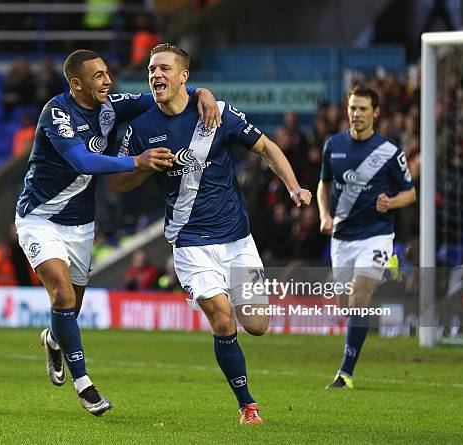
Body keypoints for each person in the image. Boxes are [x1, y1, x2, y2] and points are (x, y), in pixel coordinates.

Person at [109, 44, 312, 424]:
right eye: (152, 69)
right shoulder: (140, 127)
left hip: (236, 240)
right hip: (189, 244)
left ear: (184, 76)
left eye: (165, 69)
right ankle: (247, 405)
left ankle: (243, 377)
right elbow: (117, 185)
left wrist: (293, 186)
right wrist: (141, 166)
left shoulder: (216, 113)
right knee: (222, 319)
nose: (156, 75)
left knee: (256, 325)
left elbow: (267, 147)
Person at [14, 49, 220, 416]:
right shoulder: (57, 113)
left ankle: (54, 339)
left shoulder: (110, 105)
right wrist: (135, 161)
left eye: (108, 73)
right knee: (61, 295)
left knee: (69, 309)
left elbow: (162, 95)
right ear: (76, 84)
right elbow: (83, 161)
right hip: (39, 218)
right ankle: (85, 385)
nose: (108, 81)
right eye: (98, 77)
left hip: (80, 225)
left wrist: (202, 92)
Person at [317, 86, 416, 389]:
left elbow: (411, 193)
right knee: (346, 306)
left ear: (376, 112)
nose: (356, 114)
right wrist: (324, 214)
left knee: (360, 296)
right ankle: (389, 271)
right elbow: (324, 185)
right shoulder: (333, 146)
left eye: (362, 109)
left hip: (376, 235)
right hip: (342, 237)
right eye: (352, 109)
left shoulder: (389, 152)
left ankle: (345, 373)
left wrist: (391, 202)